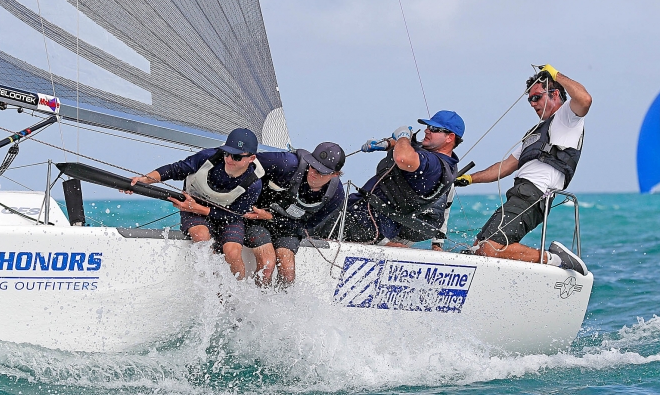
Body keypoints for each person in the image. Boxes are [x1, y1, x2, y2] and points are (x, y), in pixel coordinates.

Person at [460, 64, 591, 275]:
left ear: (554, 93)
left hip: (535, 194)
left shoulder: (567, 118)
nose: (532, 104)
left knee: (489, 248)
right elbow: (504, 167)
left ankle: (556, 260)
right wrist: (469, 179)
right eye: (529, 100)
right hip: (519, 193)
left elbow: (585, 99)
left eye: (536, 97)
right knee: (478, 247)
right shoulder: (536, 133)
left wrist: (555, 74)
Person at [122, 128, 264, 280]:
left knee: (232, 252)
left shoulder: (254, 184)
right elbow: (173, 170)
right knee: (201, 235)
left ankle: (237, 298)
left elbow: (235, 215)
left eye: (236, 157)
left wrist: (201, 209)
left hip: (227, 216)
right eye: (227, 153)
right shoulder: (207, 157)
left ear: (251, 158)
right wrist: (144, 180)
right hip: (193, 208)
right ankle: (214, 294)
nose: (229, 159)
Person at [344, 110, 463, 247]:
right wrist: (388, 144)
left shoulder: (433, 164)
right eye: (428, 127)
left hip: (366, 222)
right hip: (373, 220)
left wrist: (403, 137)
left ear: (450, 137)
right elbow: (412, 148)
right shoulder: (441, 160)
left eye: (434, 129)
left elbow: (403, 157)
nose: (427, 131)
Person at [243, 142, 346, 287]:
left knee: (288, 271)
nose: (313, 174)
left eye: (321, 172)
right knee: (267, 265)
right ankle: (255, 304)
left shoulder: (335, 195)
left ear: (335, 174)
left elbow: (306, 227)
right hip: (256, 218)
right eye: (313, 166)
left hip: (287, 227)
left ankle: (277, 307)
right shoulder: (287, 164)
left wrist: (272, 218)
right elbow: (244, 161)